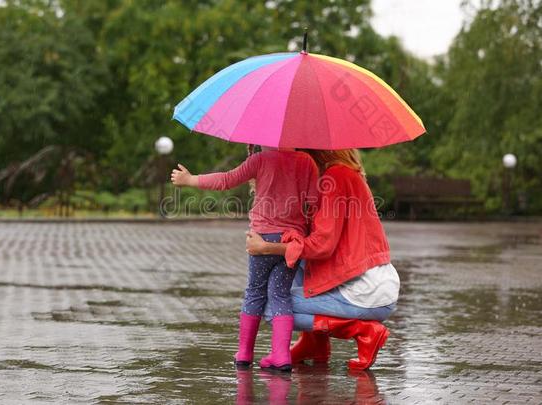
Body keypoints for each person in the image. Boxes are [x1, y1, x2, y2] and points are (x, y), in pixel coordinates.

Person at [246, 149, 399, 370]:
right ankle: (313, 343)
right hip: (373, 283)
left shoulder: (334, 178)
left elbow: (322, 246)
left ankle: (363, 331)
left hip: (365, 292)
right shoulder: (343, 175)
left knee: (271, 306)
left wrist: (267, 247)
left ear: (311, 153)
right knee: (295, 264)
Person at [171, 146, 318, 371]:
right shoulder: (307, 161)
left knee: (255, 292)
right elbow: (313, 200)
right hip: (290, 241)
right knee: (280, 295)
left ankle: (244, 353)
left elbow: (227, 180)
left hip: (262, 237)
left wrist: (190, 180)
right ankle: (281, 355)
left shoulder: (260, 159)